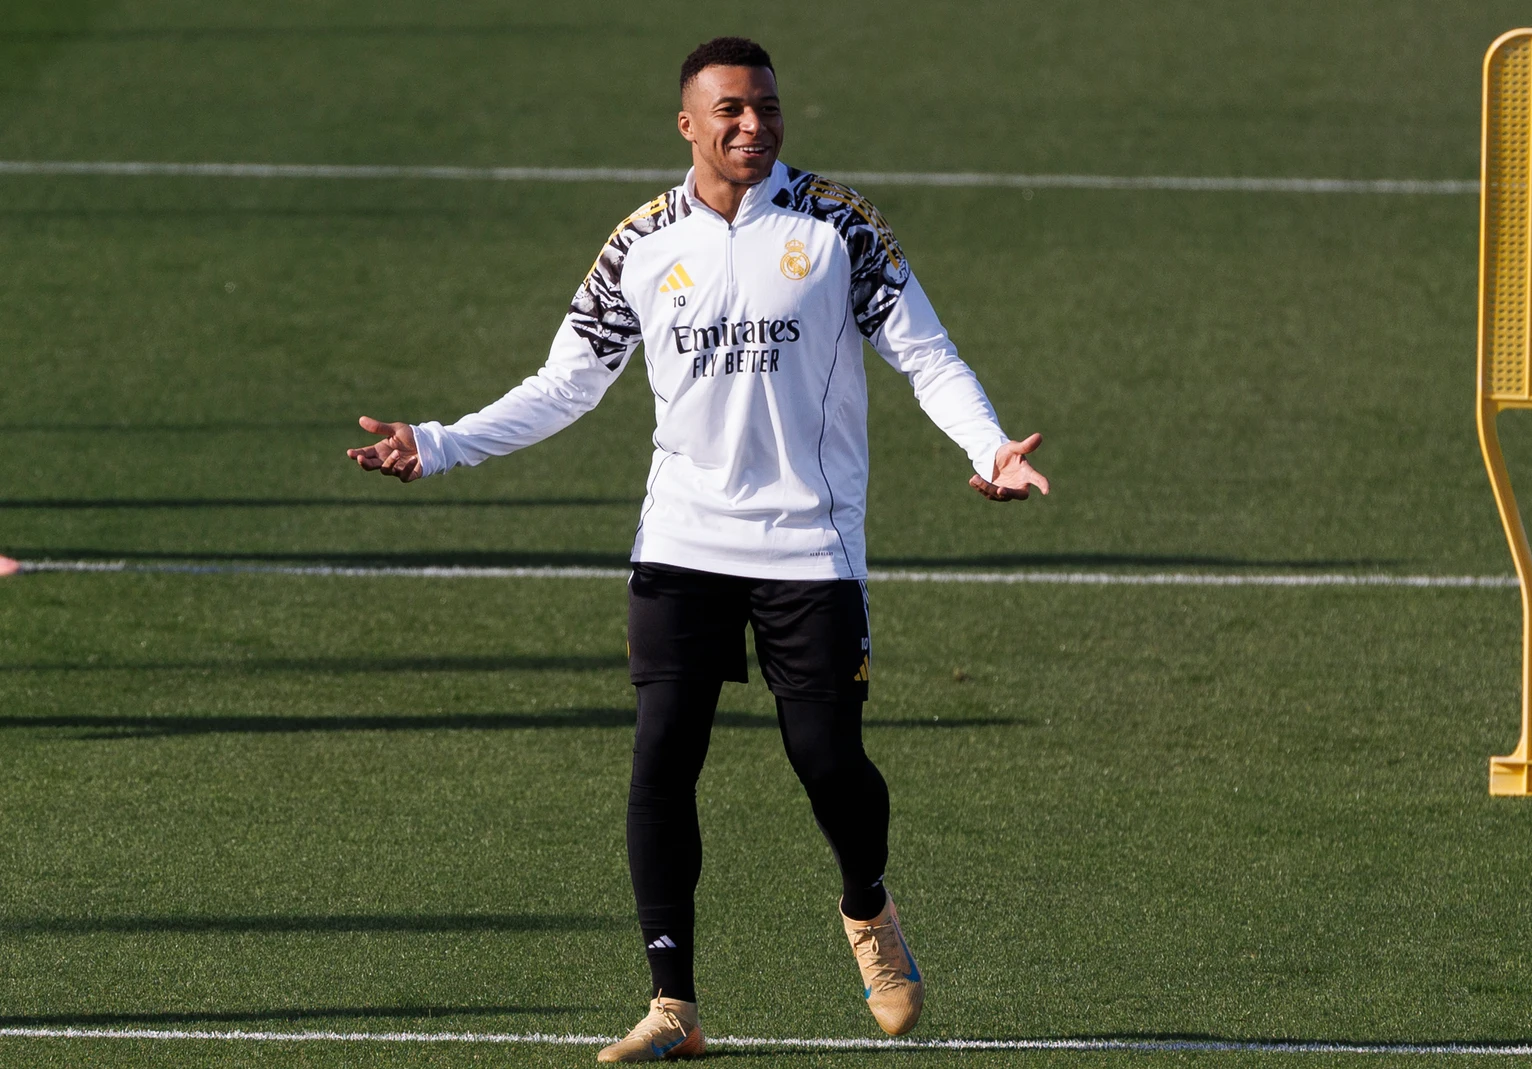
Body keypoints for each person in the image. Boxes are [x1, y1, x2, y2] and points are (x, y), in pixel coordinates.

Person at [345, 35, 1048, 1063]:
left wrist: (989, 447)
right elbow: (567, 381)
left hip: (809, 542)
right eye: (731, 110)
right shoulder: (641, 242)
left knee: (827, 759)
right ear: (688, 125)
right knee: (663, 753)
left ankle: (867, 906)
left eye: (767, 107)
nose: (754, 125)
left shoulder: (838, 224)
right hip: (682, 538)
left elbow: (924, 353)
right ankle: (672, 1001)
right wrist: (441, 444)